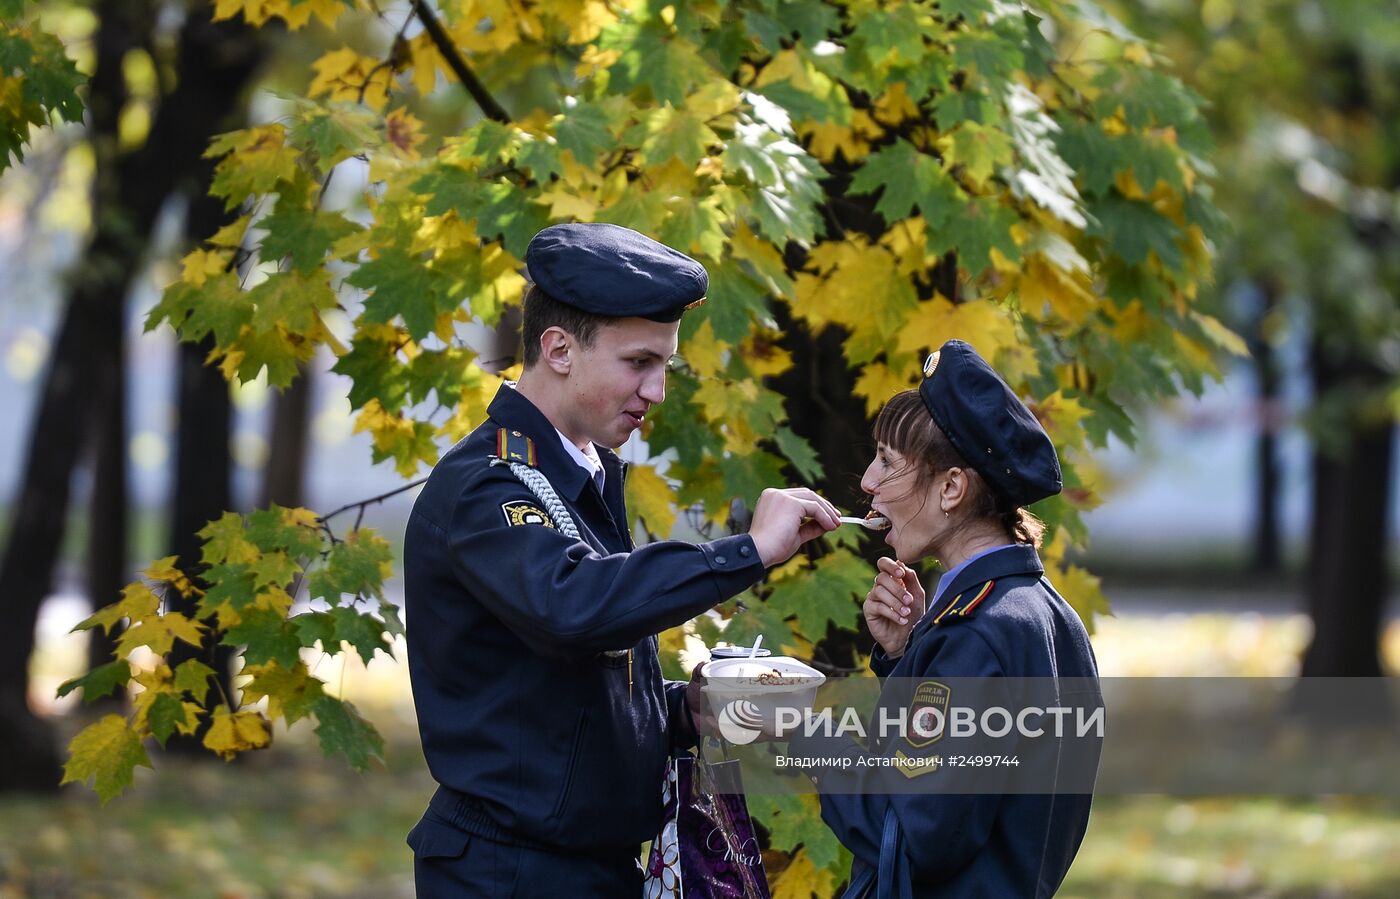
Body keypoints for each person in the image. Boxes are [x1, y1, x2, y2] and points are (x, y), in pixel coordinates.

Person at [402, 222, 840, 897]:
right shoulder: (488, 485)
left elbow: (565, 695)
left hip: (585, 868)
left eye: (664, 365)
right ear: (558, 349)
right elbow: (574, 606)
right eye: (639, 362)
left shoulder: (583, 474)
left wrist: (685, 710)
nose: (657, 391)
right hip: (506, 872)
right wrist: (749, 550)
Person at [785, 339, 1102, 898]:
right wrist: (910, 657)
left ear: (952, 488)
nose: (865, 481)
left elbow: (910, 838)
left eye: (887, 461)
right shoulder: (1045, 613)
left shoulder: (976, 633)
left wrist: (800, 728)